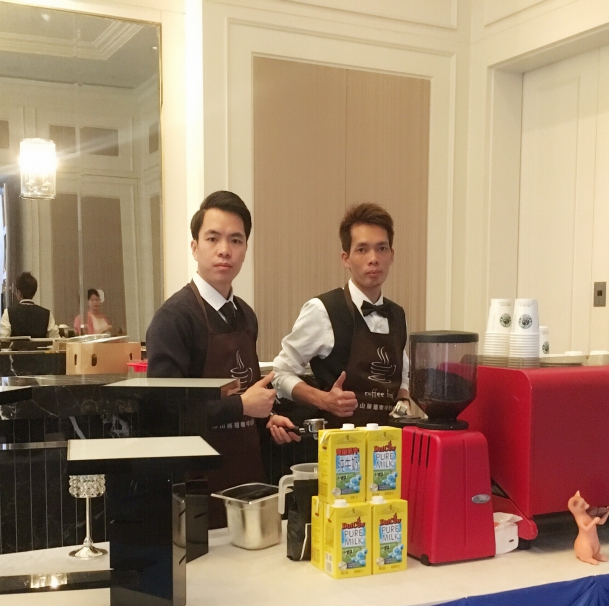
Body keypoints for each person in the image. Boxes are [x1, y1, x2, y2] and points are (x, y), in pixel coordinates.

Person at [146, 190, 298, 525]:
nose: (224, 250)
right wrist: (241, 406)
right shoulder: (173, 318)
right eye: (213, 238)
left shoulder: (245, 315)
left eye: (236, 240)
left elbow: (246, 391)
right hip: (197, 486)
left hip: (247, 476)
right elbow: (166, 410)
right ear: (194, 247)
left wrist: (266, 417)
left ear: (245, 249)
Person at [269, 202, 411, 440]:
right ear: (346, 258)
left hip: (387, 448)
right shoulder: (322, 310)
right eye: (362, 249)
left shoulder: (397, 314)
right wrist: (324, 399)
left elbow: (403, 373)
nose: (374, 258)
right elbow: (280, 373)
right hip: (338, 446)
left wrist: (404, 400)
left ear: (392, 255)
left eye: (382, 248)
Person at [0, 272, 59, 338]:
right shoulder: (47, 314)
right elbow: (55, 339)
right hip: (41, 345)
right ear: (34, 291)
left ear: (18, 292)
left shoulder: (8, 312)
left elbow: (4, 339)